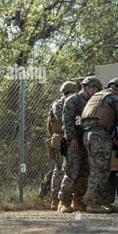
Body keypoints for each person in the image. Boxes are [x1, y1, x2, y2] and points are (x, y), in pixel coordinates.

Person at [81, 78, 118, 213]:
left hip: (87, 135)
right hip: (100, 135)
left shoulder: (96, 96)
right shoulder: (114, 98)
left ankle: (102, 201)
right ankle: (92, 203)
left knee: (100, 168)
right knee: (100, 170)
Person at [58, 76, 103, 213]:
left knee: (84, 172)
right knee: (72, 172)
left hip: (86, 141)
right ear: (85, 87)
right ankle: (63, 201)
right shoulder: (73, 100)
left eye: (96, 88)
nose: (94, 91)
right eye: (91, 87)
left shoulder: (93, 103)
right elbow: (67, 122)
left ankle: (77, 201)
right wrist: (72, 139)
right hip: (74, 142)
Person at [46, 80, 80, 210]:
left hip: (68, 138)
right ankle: (56, 200)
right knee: (60, 169)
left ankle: (69, 200)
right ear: (72, 91)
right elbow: (64, 118)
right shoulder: (59, 104)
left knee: (67, 169)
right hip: (61, 139)